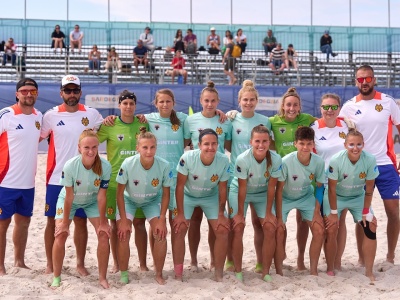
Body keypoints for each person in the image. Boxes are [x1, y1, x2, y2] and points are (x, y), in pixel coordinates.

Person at [40, 74, 104, 275]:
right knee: (53, 221)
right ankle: (51, 263)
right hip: (56, 177)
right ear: (61, 93)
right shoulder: (50, 116)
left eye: (75, 90)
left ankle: (80, 263)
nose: (72, 94)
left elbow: (108, 126)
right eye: (67, 90)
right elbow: (35, 138)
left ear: (80, 92)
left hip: (84, 177)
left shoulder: (92, 114)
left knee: (80, 221)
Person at [340, 65, 400, 266]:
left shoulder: (388, 102)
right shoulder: (348, 107)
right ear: (355, 81)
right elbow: (338, 135)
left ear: (374, 80)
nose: (364, 83)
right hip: (359, 165)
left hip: (385, 164)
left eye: (368, 79)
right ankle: (361, 257)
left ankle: (390, 256)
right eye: (360, 79)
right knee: (362, 213)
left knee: (393, 213)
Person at [51, 129, 111, 289]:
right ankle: (56, 277)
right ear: (79, 147)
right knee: (60, 234)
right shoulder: (71, 166)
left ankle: (102, 278)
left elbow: (101, 196)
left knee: (104, 234)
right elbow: (69, 197)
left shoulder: (105, 166)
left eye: (94, 147)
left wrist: (104, 222)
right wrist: (64, 223)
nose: (91, 151)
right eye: (86, 148)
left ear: (98, 147)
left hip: (92, 201)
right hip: (69, 200)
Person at [97, 90, 149, 273]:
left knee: (139, 224)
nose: (128, 107)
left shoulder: (143, 124)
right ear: (119, 105)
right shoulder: (110, 125)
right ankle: (117, 264)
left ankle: (143, 264)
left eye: (131, 104)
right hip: (114, 182)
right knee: (115, 224)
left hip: (138, 181)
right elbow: (91, 141)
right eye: (124, 103)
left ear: (135, 106)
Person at [183, 81, 232, 271]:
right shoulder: (191, 120)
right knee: (194, 220)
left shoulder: (225, 120)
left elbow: (228, 146)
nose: (210, 104)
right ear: (200, 101)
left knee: (215, 224)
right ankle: (194, 260)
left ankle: (213, 260)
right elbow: (186, 143)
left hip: (216, 174)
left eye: (213, 101)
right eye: (206, 101)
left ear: (218, 101)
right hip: (194, 174)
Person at [225, 80, 272, 274]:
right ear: (239, 101)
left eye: (252, 100)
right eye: (245, 100)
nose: (249, 103)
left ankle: (260, 262)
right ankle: (230, 260)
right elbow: (228, 145)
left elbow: (268, 147)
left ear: (257, 101)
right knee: (235, 223)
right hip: (237, 178)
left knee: (258, 223)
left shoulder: (265, 121)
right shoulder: (231, 120)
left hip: (260, 180)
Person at [173, 128, 231, 282]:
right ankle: (178, 273)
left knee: (222, 229)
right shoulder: (187, 157)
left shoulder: (224, 160)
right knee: (179, 228)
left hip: (210, 196)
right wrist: (179, 214)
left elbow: (223, 187)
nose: (210, 147)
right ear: (199, 145)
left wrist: (221, 214)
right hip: (188, 195)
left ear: (218, 145)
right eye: (206, 144)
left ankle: (218, 272)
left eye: (214, 144)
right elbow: (179, 187)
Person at [116, 128, 172, 285]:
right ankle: (124, 273)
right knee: (123, 233)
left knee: (160, 233)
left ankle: (159, 273)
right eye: (145, 147)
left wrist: (162, 218)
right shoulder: (128, 164)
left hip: (152, 201)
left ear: (156, 147)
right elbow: (119, 194)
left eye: (152, 147)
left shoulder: (164, 165)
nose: (149, 151)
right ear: (138, 148)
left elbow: (166, 194)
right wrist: (124, 221)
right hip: (129, 200)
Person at [268, 87, 316, 271]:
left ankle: (301, 259)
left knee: (302, 220)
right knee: (281, 221)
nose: (292, 108)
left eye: (295, 105)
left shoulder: (306, 119)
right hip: (283, 177)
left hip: (304, 176)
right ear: (283, 106)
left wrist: (346, 121)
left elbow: (328, 120)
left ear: (300, 107)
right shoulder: (272, 121)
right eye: (288, 104)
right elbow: (253, 124)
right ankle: (281, 256)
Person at [229, 125, 283, 282]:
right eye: (257, 141)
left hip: (262, 193)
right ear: (251, 141)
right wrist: (239, 214)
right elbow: (242, 188)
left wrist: (268, 213)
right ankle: (238, 271)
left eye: (265, 141)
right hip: (240, 192)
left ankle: (265, 271)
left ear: (269, 141)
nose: (261, 145)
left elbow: (272, 187)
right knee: (238, 227)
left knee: (269, 226)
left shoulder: (276, 159)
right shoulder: (243, 159)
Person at [324, 129, 378, 282]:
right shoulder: (336, 160)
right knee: (332, 226)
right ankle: (332, 266)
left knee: (371, 225)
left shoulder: (370, 159)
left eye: (359, 144)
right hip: (337, 196)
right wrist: (334, 212)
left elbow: (369, 189)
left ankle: (369, 270)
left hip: (358, 197)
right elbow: (332, 189)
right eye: (351, 144)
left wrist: (366, 211)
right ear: (345, 145)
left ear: (363, 144)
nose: (355, 148)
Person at [0, 78, 42, 275]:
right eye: (24, 91)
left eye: (32, 91)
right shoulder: (7, 115)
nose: (28, 94)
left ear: (37, 94)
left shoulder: (38, 116)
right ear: (17, 94)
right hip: (5, 180)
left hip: (28, 182)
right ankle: (0, 265)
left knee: (24, 222)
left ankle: (19, 261)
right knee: (2, 223)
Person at [276, 126, 325, 276]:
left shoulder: (318, 161)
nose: (305, 147)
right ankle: (279, 269)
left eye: (309, 143)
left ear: (313, 145)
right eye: (302, 143)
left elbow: (320, 187)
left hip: (305, 196)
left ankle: (314, 271)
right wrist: (279, 216)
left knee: (319, 230)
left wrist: (317, 212)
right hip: (285, 197)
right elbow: (279, 190)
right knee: (277, 229)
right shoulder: (285, 161)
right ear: (295, 143)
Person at [311, 93, 349, 270]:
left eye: (334, 107)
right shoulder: (314, 127)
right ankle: (323, 261)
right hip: (321, 182)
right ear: (321, 108)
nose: (330, 110)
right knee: (325, 224)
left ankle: (336, 261)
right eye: (326, 107)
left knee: (339, 223)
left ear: (339, 109)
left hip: (343, 181)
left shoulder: (347, 126)